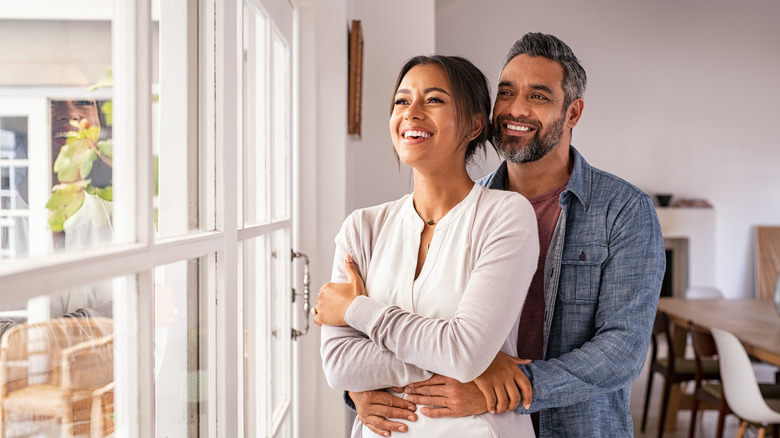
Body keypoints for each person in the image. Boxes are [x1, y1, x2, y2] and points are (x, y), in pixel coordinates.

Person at [347, 32, 666, 437]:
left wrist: (508, 388)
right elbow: (420, 324)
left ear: (573, 112)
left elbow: (623, 349)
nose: (516, 109)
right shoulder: (463, 209)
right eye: (506, 93)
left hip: (577, 428)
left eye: (538, 96)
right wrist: (359, 387)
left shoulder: (623, 210)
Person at [314, 55, 540, 437]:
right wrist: (469, 361)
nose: (411, 112)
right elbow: (339, 364)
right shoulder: (361, 228)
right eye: (402, 101)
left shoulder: (506, 215)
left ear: (473, 125)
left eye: (434, 99)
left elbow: (464, 353)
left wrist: (355, 309)